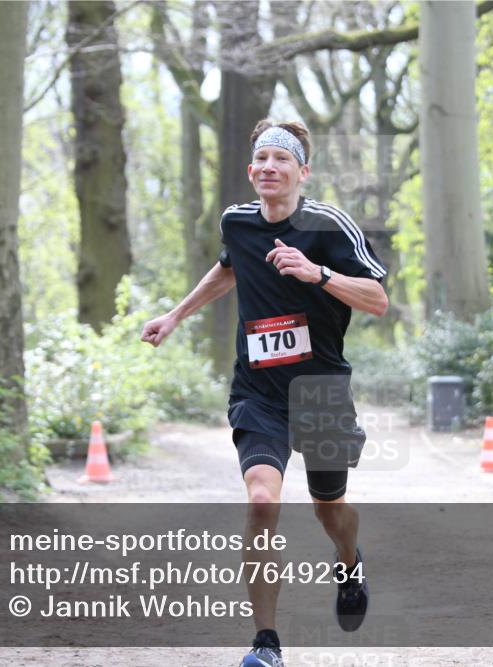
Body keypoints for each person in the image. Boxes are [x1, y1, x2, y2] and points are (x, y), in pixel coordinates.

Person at [141, 119, 389, 667]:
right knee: (261, 500)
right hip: (259, 391)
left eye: (283, 159)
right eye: (263, 160)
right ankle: (266, 644)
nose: (271, 168)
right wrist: (175, 315)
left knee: (331, 510)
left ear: (303, 171)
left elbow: (377, 300)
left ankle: (349, 563)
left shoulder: (329, 227)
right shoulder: (238, 223)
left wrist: (316, 274)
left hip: (320, 390)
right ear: (252, 171)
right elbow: (228, 268)